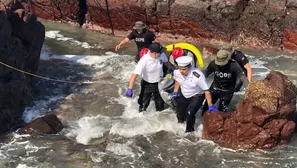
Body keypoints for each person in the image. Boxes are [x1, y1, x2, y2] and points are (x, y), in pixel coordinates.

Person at [172, 56, 218, 132]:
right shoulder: (177, 72)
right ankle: (180, 125)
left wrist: (210, 105)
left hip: (197, 95)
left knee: (190, 113)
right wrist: (175, 91)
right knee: (179, 113)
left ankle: (189, 132)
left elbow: (206, 91)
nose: (181, 71)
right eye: (180, 68)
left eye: (184, 69)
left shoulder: (197, 76)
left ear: (190, 67)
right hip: (185, 94)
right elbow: (178, 81)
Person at [125, 43, 174, 112]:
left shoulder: (161, 55)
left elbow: (166, 62)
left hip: (159, 84)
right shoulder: (144, 60)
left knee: (160, 106)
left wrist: (171, 69)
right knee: (143, 105)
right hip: (147, 85)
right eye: (160, 52)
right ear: (154, 53)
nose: (162, 53)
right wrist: (130, 88)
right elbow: (135, 75)